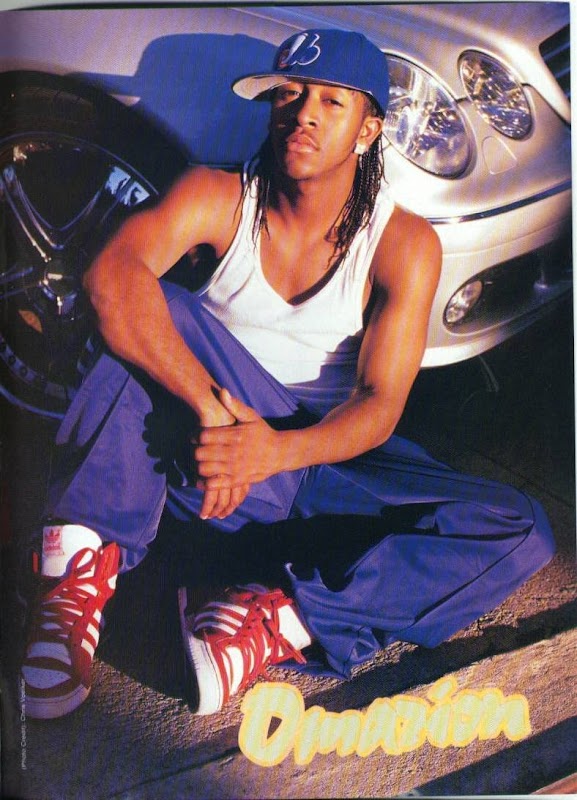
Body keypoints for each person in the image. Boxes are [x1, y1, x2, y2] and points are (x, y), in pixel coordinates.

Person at [21, 28, 555, 719]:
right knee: (156, 312)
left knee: (519, 530)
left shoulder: (402, 242)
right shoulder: (216, 195)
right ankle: (74, 582)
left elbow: (378, 405)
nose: (302, 114)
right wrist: (214, 410)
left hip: (317, 461)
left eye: (331, 102)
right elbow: (110, 277)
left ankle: (276, 618)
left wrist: (275, 450)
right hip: (208, 461)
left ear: (368, 129)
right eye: (288, 96)